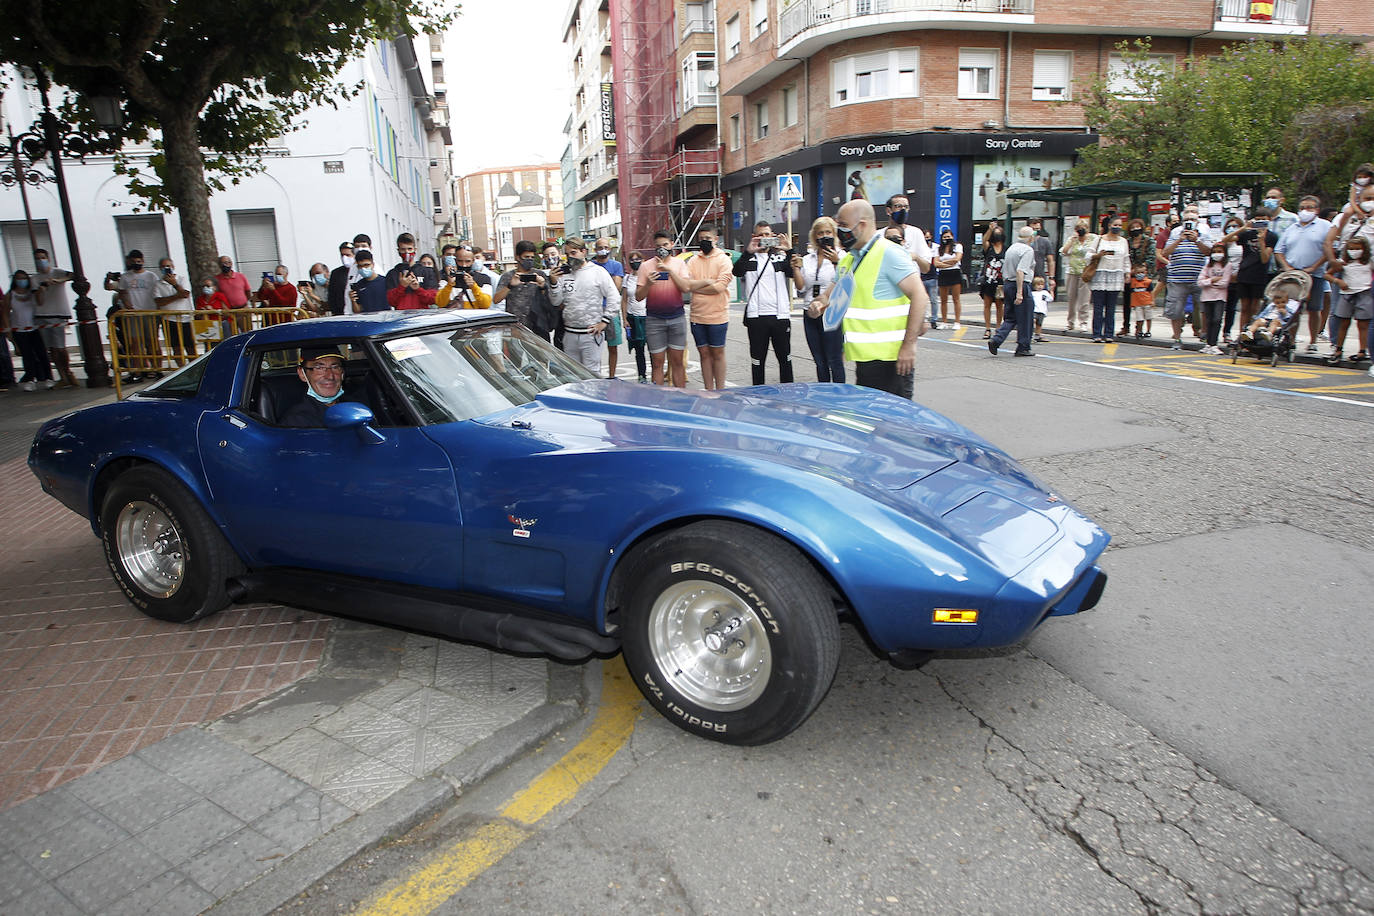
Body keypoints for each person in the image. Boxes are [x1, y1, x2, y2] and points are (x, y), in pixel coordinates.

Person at [808, 198, 928, 397]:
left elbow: (920, 296)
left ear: (861, 225)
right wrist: (818, 304)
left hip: (892, 360)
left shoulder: (889, 253)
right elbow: (829, 296)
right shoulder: (849, 259)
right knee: (871, 423)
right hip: (865, 361)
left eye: (844, 225)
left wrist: (909, 345)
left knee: (892, 423)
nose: (840, 231)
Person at [734, 220, 795, 385]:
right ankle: (758, 395)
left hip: (780, 316)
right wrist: (748, 251)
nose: (764, 238)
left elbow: (792, 273)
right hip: (757, 317)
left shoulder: (780, 257)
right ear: (754, 236)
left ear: (773, 236)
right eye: (760, 235)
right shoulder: (749, 258)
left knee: (785, 359)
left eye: (767, 234)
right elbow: (737, 271)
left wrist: (789, 250)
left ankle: (788, 395)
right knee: (757, 361)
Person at [549, 237, 618, 374]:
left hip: (590, 333)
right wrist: (554, 283)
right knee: (573, 373)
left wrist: (604, 322)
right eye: (567, 254)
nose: (570, 257)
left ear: (584, 252)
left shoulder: (597, 272)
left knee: (592, 373)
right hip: (569, 333)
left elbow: (614, 297)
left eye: (574, 253)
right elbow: (556, 302)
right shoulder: (564, 274)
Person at [1274, 195, 1332, 352]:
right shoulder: (1292, 228)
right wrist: (1287, 267)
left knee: (1314, 309)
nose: (1305, 211)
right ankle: (1291, 340)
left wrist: (1314, 267)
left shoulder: (1325, 226)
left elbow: (1329, 249)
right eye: (1302, 208)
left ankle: (1313, 341)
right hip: (1293, 276)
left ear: (1317, 210)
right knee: (1293, 309)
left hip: (1315, 275)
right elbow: (1279, 250)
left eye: (1309, 208)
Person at [635, 231, 690, 387]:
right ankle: (657, 400)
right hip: (654, 320)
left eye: (665, 245)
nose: (662, 249)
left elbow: (686, 288)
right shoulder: (645, 266)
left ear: (671, 244)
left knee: (677, 362)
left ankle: (681, 398)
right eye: (658, 246)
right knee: (657, 363)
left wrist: (670, 271)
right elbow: (638, 296)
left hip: (677, 318)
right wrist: (648, 284)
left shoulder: (679, 264)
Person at [794, 217, 845, 383]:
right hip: (810, 312)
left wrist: (837, 263)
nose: (824, 236)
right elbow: (801, 287)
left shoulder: (843, 256)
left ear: (834, 234)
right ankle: (824, 397)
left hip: (831, 312)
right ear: (814, 236)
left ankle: (839, 397)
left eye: (828, 232)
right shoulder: (808, 259)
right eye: (820, 233)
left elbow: (845, 283)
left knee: (834, 360)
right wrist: (795, 268)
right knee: (819, 361)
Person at [685, 228, 734, 389]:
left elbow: (720, 287)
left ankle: (721, 390)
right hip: (697, 317)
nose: (704, 240)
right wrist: (708, 281)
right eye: (701, 238)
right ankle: (708, 390)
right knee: (704, 354)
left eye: (708, 237)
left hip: (718, 316)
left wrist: (697, 287)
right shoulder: (693, 261)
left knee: (718, 354)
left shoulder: (724, 260)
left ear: (716, 239)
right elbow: (687, 284)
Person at [1162, 205, 1214, 349]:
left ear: (1198, 218)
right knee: (1176, 309)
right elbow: (1165, 252)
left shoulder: (1205, 231)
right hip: (1177, 277)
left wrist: (1197, 240)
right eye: (1187, 216)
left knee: (1204, 308)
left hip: (1199, 276)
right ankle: (1177, 339)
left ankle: (1204, 337)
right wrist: (1179, 239)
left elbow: (1209, 252)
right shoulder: (1175, 232)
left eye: (1193, 215)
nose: (1190, 218)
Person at [1219, 208, 1278, 336]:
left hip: (1259, 275)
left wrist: (1262, 240)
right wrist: (1244, 227)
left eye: (1263, 220)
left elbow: (1265, 258)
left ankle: (1253, 331)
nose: (1260, 222)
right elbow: (1226, 239)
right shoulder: (1247, 234)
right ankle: (1242, 333)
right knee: (1244, 307)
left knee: (1254, 307)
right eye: (1258, 219)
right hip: (1245, 273)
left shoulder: (1272, 236)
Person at [106, 249, 161, 381]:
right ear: (130, 261)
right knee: (135, 343)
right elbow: (120, 291)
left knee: (152, 342)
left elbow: (157, 292)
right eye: (134, 261)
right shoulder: (125, 277)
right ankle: (137, 372)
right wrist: (128, 305)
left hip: (149, 312)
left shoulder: (151, 276)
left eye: (139, 261)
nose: (136, 263)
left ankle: (157, 370)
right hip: (133, 314)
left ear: (143, 261)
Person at [885, 195, 936, 329]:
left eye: (906, 207)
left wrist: (915, 257)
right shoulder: (878, 235)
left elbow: (926, 268)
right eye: (898, 206)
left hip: (909, 295)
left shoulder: (916, 233)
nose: (902, 210)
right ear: (888, 210)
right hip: (885, 296)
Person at [31, 248, 77, 387]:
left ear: (48, 258)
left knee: (61, 347)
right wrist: (42, 289)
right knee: (52, 349)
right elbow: (38, 300)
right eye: (38, 259)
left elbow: (73, 275)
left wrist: (58, 280)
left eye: (43, 258)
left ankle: (68, 372)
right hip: (42, 315)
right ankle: (62, 376)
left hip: (58, 313)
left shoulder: (57, 272)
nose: (41, 261)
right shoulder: (34, 279)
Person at [1324, 234, 1372, 365]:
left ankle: (1362, 350)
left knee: (1363, 324)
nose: (1354, 251)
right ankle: (1338, 349)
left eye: (1357, 248)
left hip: (1364, 293)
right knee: (1343, 323)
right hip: (1347, 293)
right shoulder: (1343, 263)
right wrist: (1337, 281)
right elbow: (1327, 274)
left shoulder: (1369, 263)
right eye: (1351, 249)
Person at [281, 346, 357, 427]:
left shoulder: (355, 406)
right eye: (319, 368)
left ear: (342, 373)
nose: (330, 376)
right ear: (302, 374)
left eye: (335, 367)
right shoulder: (297, 421)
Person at [990, 226, 1037, 356]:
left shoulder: (1011, 248)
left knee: (1010, 317)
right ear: (1031, 237)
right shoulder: (1027, 250)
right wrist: (1020, 293)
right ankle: (1023, 347)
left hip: (1008, 284)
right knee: (1026, 317)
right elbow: (1020, 271)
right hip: (1020, 284)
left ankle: (997, 339)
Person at [494, 240, 554, 336]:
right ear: (518, 257)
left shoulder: (540, 275)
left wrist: (542, 286)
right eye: (526, 257)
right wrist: (510, 285)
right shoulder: (508, 276)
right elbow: (496, 299)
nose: (529, 260)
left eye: (532, 257)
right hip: (515, 327)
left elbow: (550, 299)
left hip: (538, 326)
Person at [7, 270, 53, 390]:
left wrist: (41, 290)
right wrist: (9, 333)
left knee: (42, 354)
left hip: (35, 328)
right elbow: (5, 313)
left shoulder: (32, 293)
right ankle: (30, 379)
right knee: (27, 356)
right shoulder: (10, 295)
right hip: (19, 330)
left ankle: (48, 377)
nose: (21, 281)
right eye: (18, 278)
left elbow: (40, 302)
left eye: (24, 278)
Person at [1087, 217, 1129, 342]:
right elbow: (1088, 254)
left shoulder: (1123, 241)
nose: (1118, 227)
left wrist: (1127, 273)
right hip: (1100, 273)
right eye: (1115, 224)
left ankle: (1109, 334)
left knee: (1111, 307)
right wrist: (1098, 255)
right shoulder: (1099, 239)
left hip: (1116, 274)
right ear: (1109, 225)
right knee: (1098, 306)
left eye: (1120, 225)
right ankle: (1097, 334)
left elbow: (1126, 258)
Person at [591, 238, 625, 378]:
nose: (603, 249)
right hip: (594, 310)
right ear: (595, 250)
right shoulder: (591, 265)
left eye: (605, 247)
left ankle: (611, 376)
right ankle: (595, 376)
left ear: (610, 249)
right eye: (600, 247)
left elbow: (616, 288)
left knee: (613, 345)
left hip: (611, 311)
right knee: (593, 347)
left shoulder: (616, 265)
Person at [154, 257, 196, 361]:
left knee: (190, 347)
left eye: (168, 266)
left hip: (185, 318)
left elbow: (185, 294)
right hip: (169, 320)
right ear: (160, 268)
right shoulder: (158, 284)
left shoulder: (182, 279)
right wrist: (177, 296)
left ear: (173, 267)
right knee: (176, 348)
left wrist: (175, 284)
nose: (166, 268)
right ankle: (181, 370)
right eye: (164, 266)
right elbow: (159, 301)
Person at [1122, 217, 1157, 338]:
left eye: (1138, 227)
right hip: (1129, 275)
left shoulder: (1149, 241)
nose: (1135, 230)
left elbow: (1151, 258)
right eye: (1132, 228)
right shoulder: (1127, 242)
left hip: (1143, 276)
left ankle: (1140, 328)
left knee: (1142, 304)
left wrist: (1139, 270)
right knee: (1128, 302)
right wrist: (1129, 271)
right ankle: (1126, 326)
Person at [1060, 220, 1096, 332]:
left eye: (1083, 227)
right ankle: (1070, 322)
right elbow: (1063, 252)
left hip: (1085, 272)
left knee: (1084, 298)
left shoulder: (1093, 239)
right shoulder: (1072, 239)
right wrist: (1072, 240)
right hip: (1072, 271)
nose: (1081, 230)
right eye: (1079, 228)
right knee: (1071, 298)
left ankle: (1083, 322)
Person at [1196, 247, 1233, 354]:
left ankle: (1214, 344)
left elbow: (1224, 283)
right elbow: (1200, 282)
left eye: (1220, 252)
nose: (1217, 254)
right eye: (1215, 252)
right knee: (1208, 320)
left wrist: (1209, 283)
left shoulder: (1227, 265)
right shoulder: (1208, 266)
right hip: (1207, 297)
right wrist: (1212, 280)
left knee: (1217, 319)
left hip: (1220, 297)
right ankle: (1208, 344)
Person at [622, 250, 647, 382]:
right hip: (634, 318)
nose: (635, 262)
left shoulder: (648, 276)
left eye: (638, 259)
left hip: (648, 317)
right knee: (639, 350)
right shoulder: (627, 278)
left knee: (655, 349)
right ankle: (642, 375)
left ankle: (657, 374)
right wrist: (624, 318)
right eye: (632, 260)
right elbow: (624, 299)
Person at [978, 225, 1006, 338]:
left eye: (999, 232)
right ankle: (988, 328)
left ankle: (998, 327)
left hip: (1000, 281)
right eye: (995, 232)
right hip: (988, 280)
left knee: (999, 305)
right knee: (987, 304)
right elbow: (984, 240)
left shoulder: (1006, 248)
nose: (997, 234)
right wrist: (990, 229)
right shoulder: (989, 247)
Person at [933, 229, 964, 329]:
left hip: (954, 273)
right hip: (943, 274)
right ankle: (944, 321)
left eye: (948, 236)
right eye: (944, 237)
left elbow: (957, 259)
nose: (947, 239)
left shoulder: (957, 246)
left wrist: (943, 264)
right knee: (943, 300)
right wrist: (947, 264)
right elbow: (936, 263)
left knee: (956, 299)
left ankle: (957, 322)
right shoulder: (938, 249)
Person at [194, 274, 233, 345]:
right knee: (209, 347)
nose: (205, 288)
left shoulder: (220, 296)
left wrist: (214, 310)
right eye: (204, 286)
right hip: (206, 326)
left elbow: (227, 313)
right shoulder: (200, 299)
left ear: (214, 287)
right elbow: (197, 314)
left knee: (224, 345)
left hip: (220, 325)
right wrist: (202, 312)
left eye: (208, 286)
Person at [1026, 216, 1056, 296]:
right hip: (1026, 275)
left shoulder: (1045, 241)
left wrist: (1051, 277)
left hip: (1040, 276)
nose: (1036, 231)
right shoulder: (1024, 242)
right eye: (1033, 229)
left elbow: (1051, 260)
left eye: (1037, 229)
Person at [327, 240, 356, 315]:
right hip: (341, 313)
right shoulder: (336, 273)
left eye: (348, 255)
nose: (344, 258)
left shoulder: (360, 271)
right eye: (342, 255)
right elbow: (332, 296)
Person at [1128, 268, 1156, 339]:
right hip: (1137, 304)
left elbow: (1151, 292)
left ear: (1145, 272)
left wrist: (1152, 301)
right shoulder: (1133, 282)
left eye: (1142, 272)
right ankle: (1140, 331)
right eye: (1138, 272)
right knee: (1139, 319)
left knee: (1148, 318)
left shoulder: (1148, 282)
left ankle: (1148, 331)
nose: (1140, 274)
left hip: (1147, 303)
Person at [1030, 276, 1051, 342]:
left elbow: (1050, 299)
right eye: (1038, 285)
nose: (1040, 286)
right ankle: (1029, 335)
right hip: (1034, 310)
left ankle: (1037, 335)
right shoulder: (1032, 293)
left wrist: (1052, 291)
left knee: (1039, 323)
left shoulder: (1044, 293)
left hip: (1042, 310)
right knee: (1032, 321)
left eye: (1042, 285)